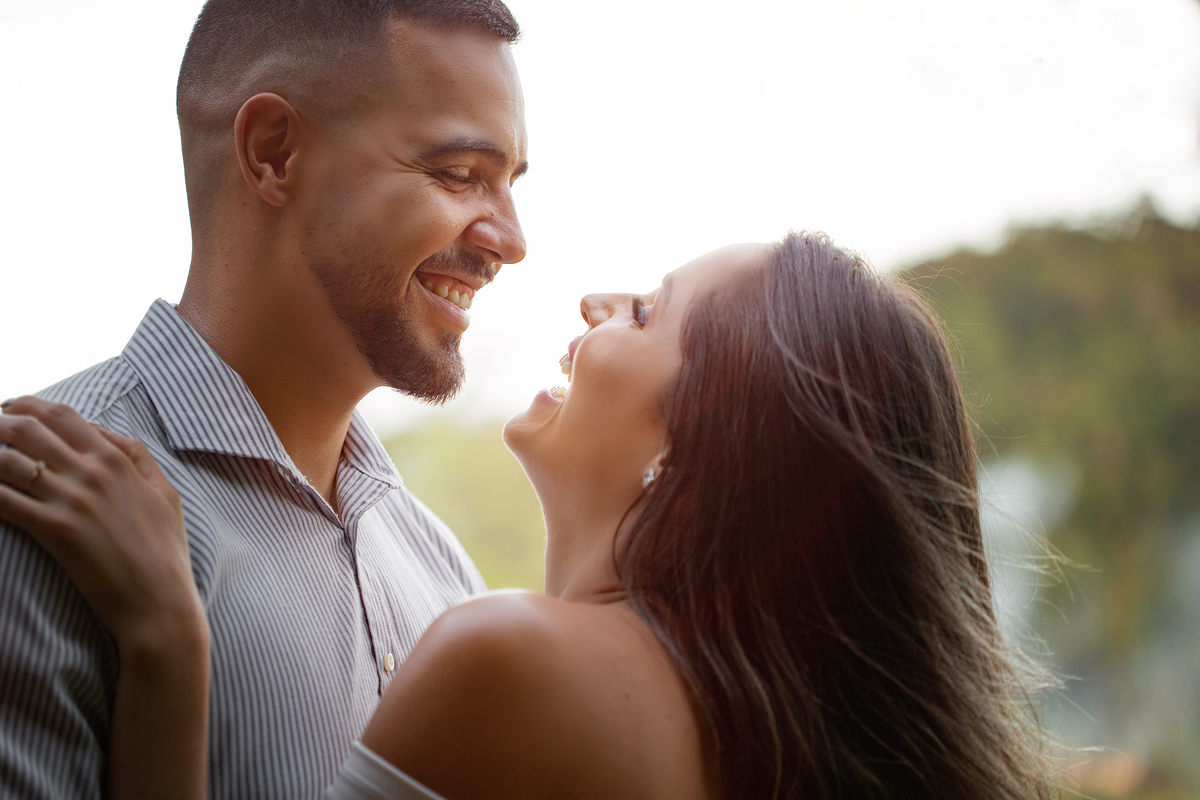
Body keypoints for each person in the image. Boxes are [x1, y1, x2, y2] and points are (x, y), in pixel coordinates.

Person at [0, 233, 1056, 799]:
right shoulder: (749, 731)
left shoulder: (514, 659)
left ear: (692, 440)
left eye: (645, 309)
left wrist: (167, 640)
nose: (596, 299)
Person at [0, 1, 528, 797]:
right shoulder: (38, 505)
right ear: (274, 152)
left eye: (509, 185)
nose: (512, 242)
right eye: (460, 175)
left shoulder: (441, 569)